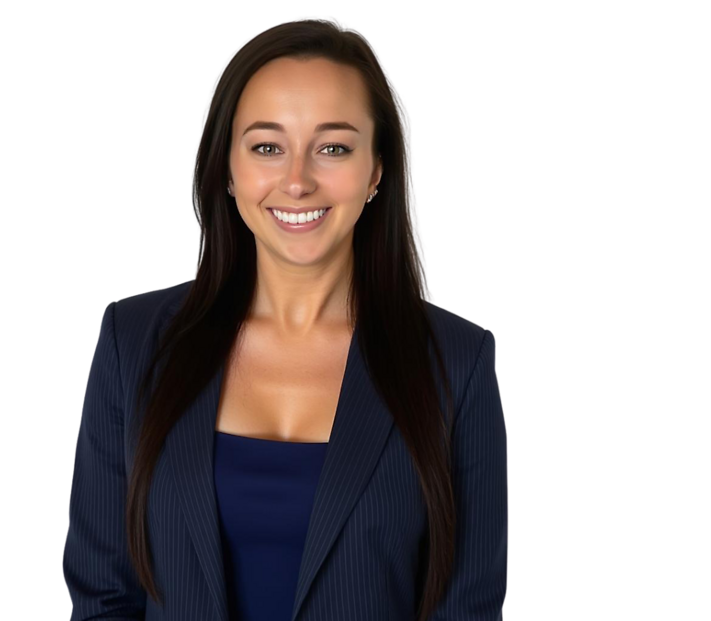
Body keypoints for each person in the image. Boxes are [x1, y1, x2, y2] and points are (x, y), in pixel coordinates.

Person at [62, 17, 509, 621]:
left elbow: (468, 608)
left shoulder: (457, 360)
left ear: (377, 170)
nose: (297, 181)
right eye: (267, 147)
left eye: (334, 148)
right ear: (226, 166)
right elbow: (102, 595)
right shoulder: (133, 341)